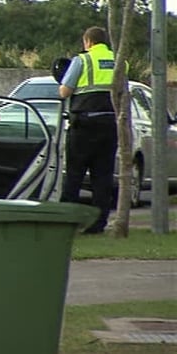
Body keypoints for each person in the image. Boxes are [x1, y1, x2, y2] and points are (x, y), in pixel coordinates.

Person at [58, 26, 124, 234]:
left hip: (84, 125)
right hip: (110, 125)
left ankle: (68, 220)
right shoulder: (120, 62)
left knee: (75, 174)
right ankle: (98, 224)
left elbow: (64, 92)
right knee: (102, 177)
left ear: (88, 42)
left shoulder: (82, 60)